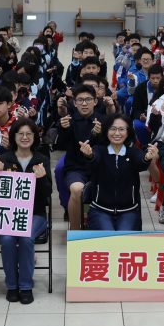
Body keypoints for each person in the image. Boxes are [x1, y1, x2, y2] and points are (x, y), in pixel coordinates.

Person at [0, 118, 52, 304]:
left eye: (29, 134)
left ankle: (26, 286)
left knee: (26, 237)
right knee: (6, 239)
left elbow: (47, 195)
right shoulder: (3, 159)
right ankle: (12, 285)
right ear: (14, 136)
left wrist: (41, 179)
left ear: (35, 137)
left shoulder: (41, 159)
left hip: (35, 214)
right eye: (21, 134)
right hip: (7, 214)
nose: (25, 137)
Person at [78, 114, 157, 231]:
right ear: (106, 131)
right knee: (107, 236)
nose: (117, 133)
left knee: (124, 238)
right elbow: (94, 159)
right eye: (113, 129)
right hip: (100, 210)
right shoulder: (99, 150)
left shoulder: (133, 151)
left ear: (128, 132)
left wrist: (147, 158)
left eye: (121, 129)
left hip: (129, 211)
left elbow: (140, 161)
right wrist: (89, 155)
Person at [59, 84, 101, 230]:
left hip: (99, 168)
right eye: (80, 100)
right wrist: (63, 129)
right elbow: (60, 145)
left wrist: (99, 134)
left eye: (88, 99)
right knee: (77, 190)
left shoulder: (103, 121)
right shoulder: (68, 121)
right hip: (76, 168)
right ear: (74, 103)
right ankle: (75, 231)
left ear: (95, 101)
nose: (84, 103)